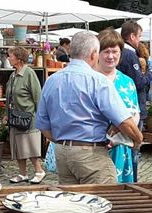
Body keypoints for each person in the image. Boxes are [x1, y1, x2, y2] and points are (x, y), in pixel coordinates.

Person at [35, 31, 142, 185]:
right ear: (93, 54)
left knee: (72, 202)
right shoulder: (98, 81)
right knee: (105, 200)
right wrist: (138, 139)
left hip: (62, 152)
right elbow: (123, 121)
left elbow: (42, 125)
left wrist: (65, 141)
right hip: (90, 153)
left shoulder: (52, 80)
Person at [94, 29, 139, 183]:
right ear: (97, 53)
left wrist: (121, 126)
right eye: (106, 51)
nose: (111, 56)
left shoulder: (127, 81)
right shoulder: (89, 78)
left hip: (121, 147)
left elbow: (135, 113)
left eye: (115, 51)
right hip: (94, 148)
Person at [5, 46, 44, 184]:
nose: (8, 58)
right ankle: (22, 173)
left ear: (19, 59)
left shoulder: (29, 73)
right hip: (15, 117)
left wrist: (40, 117)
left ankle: (39, 170)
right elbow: (8, 97)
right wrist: (6, 115)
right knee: (17, 145)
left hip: (28, 117)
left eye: (10, 56)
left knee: (29, 146)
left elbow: (37, 96)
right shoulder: (13, 74)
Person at [117, 21, 150, 121]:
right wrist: (150, 75)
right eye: (139, 36)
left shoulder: (120, 51)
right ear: (132, 36)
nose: (140, 40)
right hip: (132, 105)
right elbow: (138, 82)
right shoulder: (130, 55)